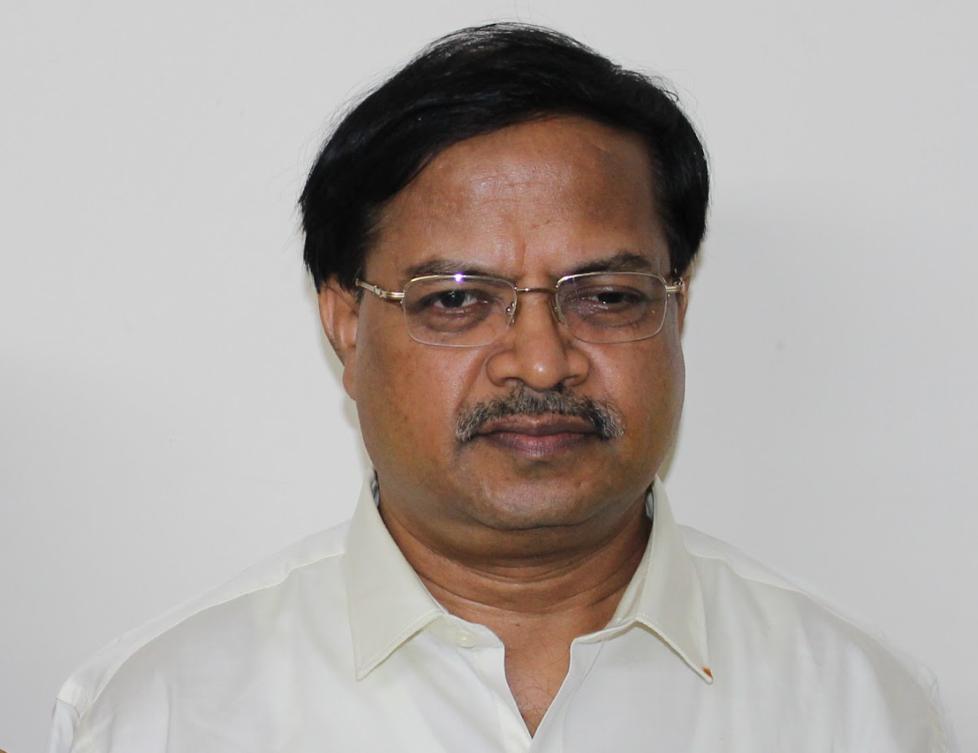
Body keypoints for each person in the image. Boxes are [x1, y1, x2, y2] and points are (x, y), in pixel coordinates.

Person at [48, 23, 953, 752]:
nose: (542, 361)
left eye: (605, 295)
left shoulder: (859, 709)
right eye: (456, 299)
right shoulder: (162, 715)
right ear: (346, 323)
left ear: (677, 308)